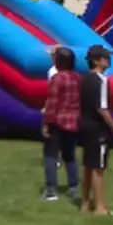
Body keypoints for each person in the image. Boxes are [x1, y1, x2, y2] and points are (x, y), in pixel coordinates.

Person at [79, 45, 113, 215]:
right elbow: (102, 108)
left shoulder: (84, 79)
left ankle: (85, 202)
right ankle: (100, 206)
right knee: (98, 168)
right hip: (98, 128)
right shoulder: (101, 80)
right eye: (105, 57)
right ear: (96, 61)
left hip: (85, 125)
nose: (108, 60)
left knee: (88, 166)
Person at [40, 47, 79, 201]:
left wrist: (46, 123)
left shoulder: (57, 79)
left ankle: (51, 189)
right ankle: (73, 186)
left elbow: (52, 102)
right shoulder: (77, 78)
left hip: (57, 121)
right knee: (70, 155)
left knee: (50, 155)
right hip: (73, 121)